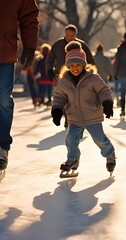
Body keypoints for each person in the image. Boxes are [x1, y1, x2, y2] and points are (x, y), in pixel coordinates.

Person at [51, 41, 116, 177]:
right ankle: (73, 159)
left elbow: (104, 90)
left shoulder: (93, 79)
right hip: (74, 118)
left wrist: (107, 103)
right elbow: (59, 97)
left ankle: (110, 155)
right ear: (68, 66)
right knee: (70, 139)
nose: (75, 68)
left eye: (78, 65)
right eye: (72, 65)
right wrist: (57, 110)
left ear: (83, 64)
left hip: (92, 116)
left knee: (100, 140)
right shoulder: (63, 82)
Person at [0, 0, 39, 171]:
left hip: (4, 53)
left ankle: (1, 147)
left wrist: (29, 46)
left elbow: (29, 16)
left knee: (3, 100)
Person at [46, 24, 95, 128]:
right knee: (63, 97)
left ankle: (72, 119)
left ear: (75, 35)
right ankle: (66, 117)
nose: (69, 38)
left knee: (74, 98)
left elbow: (90, 60)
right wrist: (49, 70)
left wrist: (90, 72)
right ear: (65, 34)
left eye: (72, 35)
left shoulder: (81, 45)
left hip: (78, 76)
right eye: (68, 35)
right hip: (61, 76)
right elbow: (50, 58)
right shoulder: (58, 45)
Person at [114, 31, 126, 117]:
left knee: (122, 90)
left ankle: (123, 110)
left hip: (122, 71)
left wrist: (115, 73)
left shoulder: (121, 48)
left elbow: (117, 61)